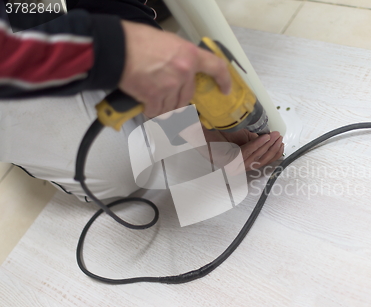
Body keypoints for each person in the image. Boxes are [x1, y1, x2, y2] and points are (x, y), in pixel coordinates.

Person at [0, 0, 284, 201]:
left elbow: (113, 6)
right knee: (116, 171)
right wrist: (117, 48)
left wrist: (201, 132)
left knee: (151, 144)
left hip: (38, 12)